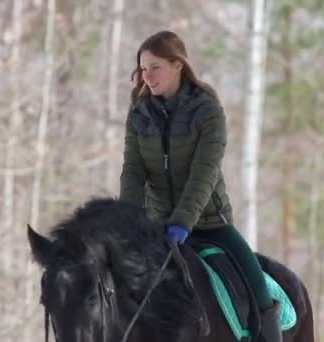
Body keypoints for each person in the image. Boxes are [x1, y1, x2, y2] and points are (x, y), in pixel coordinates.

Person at [119, 30, 282, 342]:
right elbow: (133, 171)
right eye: (142, 68)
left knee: (257, 287)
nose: (147, 76)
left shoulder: (208, 112)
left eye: (155, 67)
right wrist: (129, 219)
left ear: (178, 65)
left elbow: (203, 174)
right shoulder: (139, 115)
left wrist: (182, 221)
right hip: (155, 227)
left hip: (209, 222)